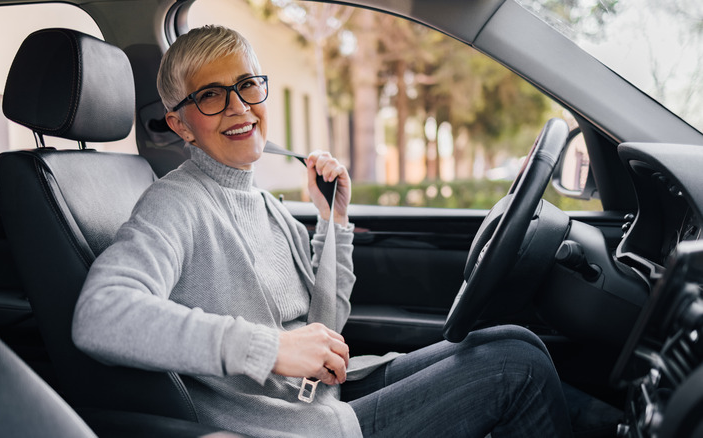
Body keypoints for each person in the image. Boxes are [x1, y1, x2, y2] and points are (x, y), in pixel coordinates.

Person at [72, 24, 573, 437]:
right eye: (210, 96)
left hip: (325, 398)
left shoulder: (264, 204)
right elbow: (100, 314)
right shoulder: (175, 204)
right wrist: (271, 348)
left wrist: (333, 221)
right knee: (516, 368)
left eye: (247, 85)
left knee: (514, 339)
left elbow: (327, 326)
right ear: (181, 125)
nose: (239, 107)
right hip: (289, 426)